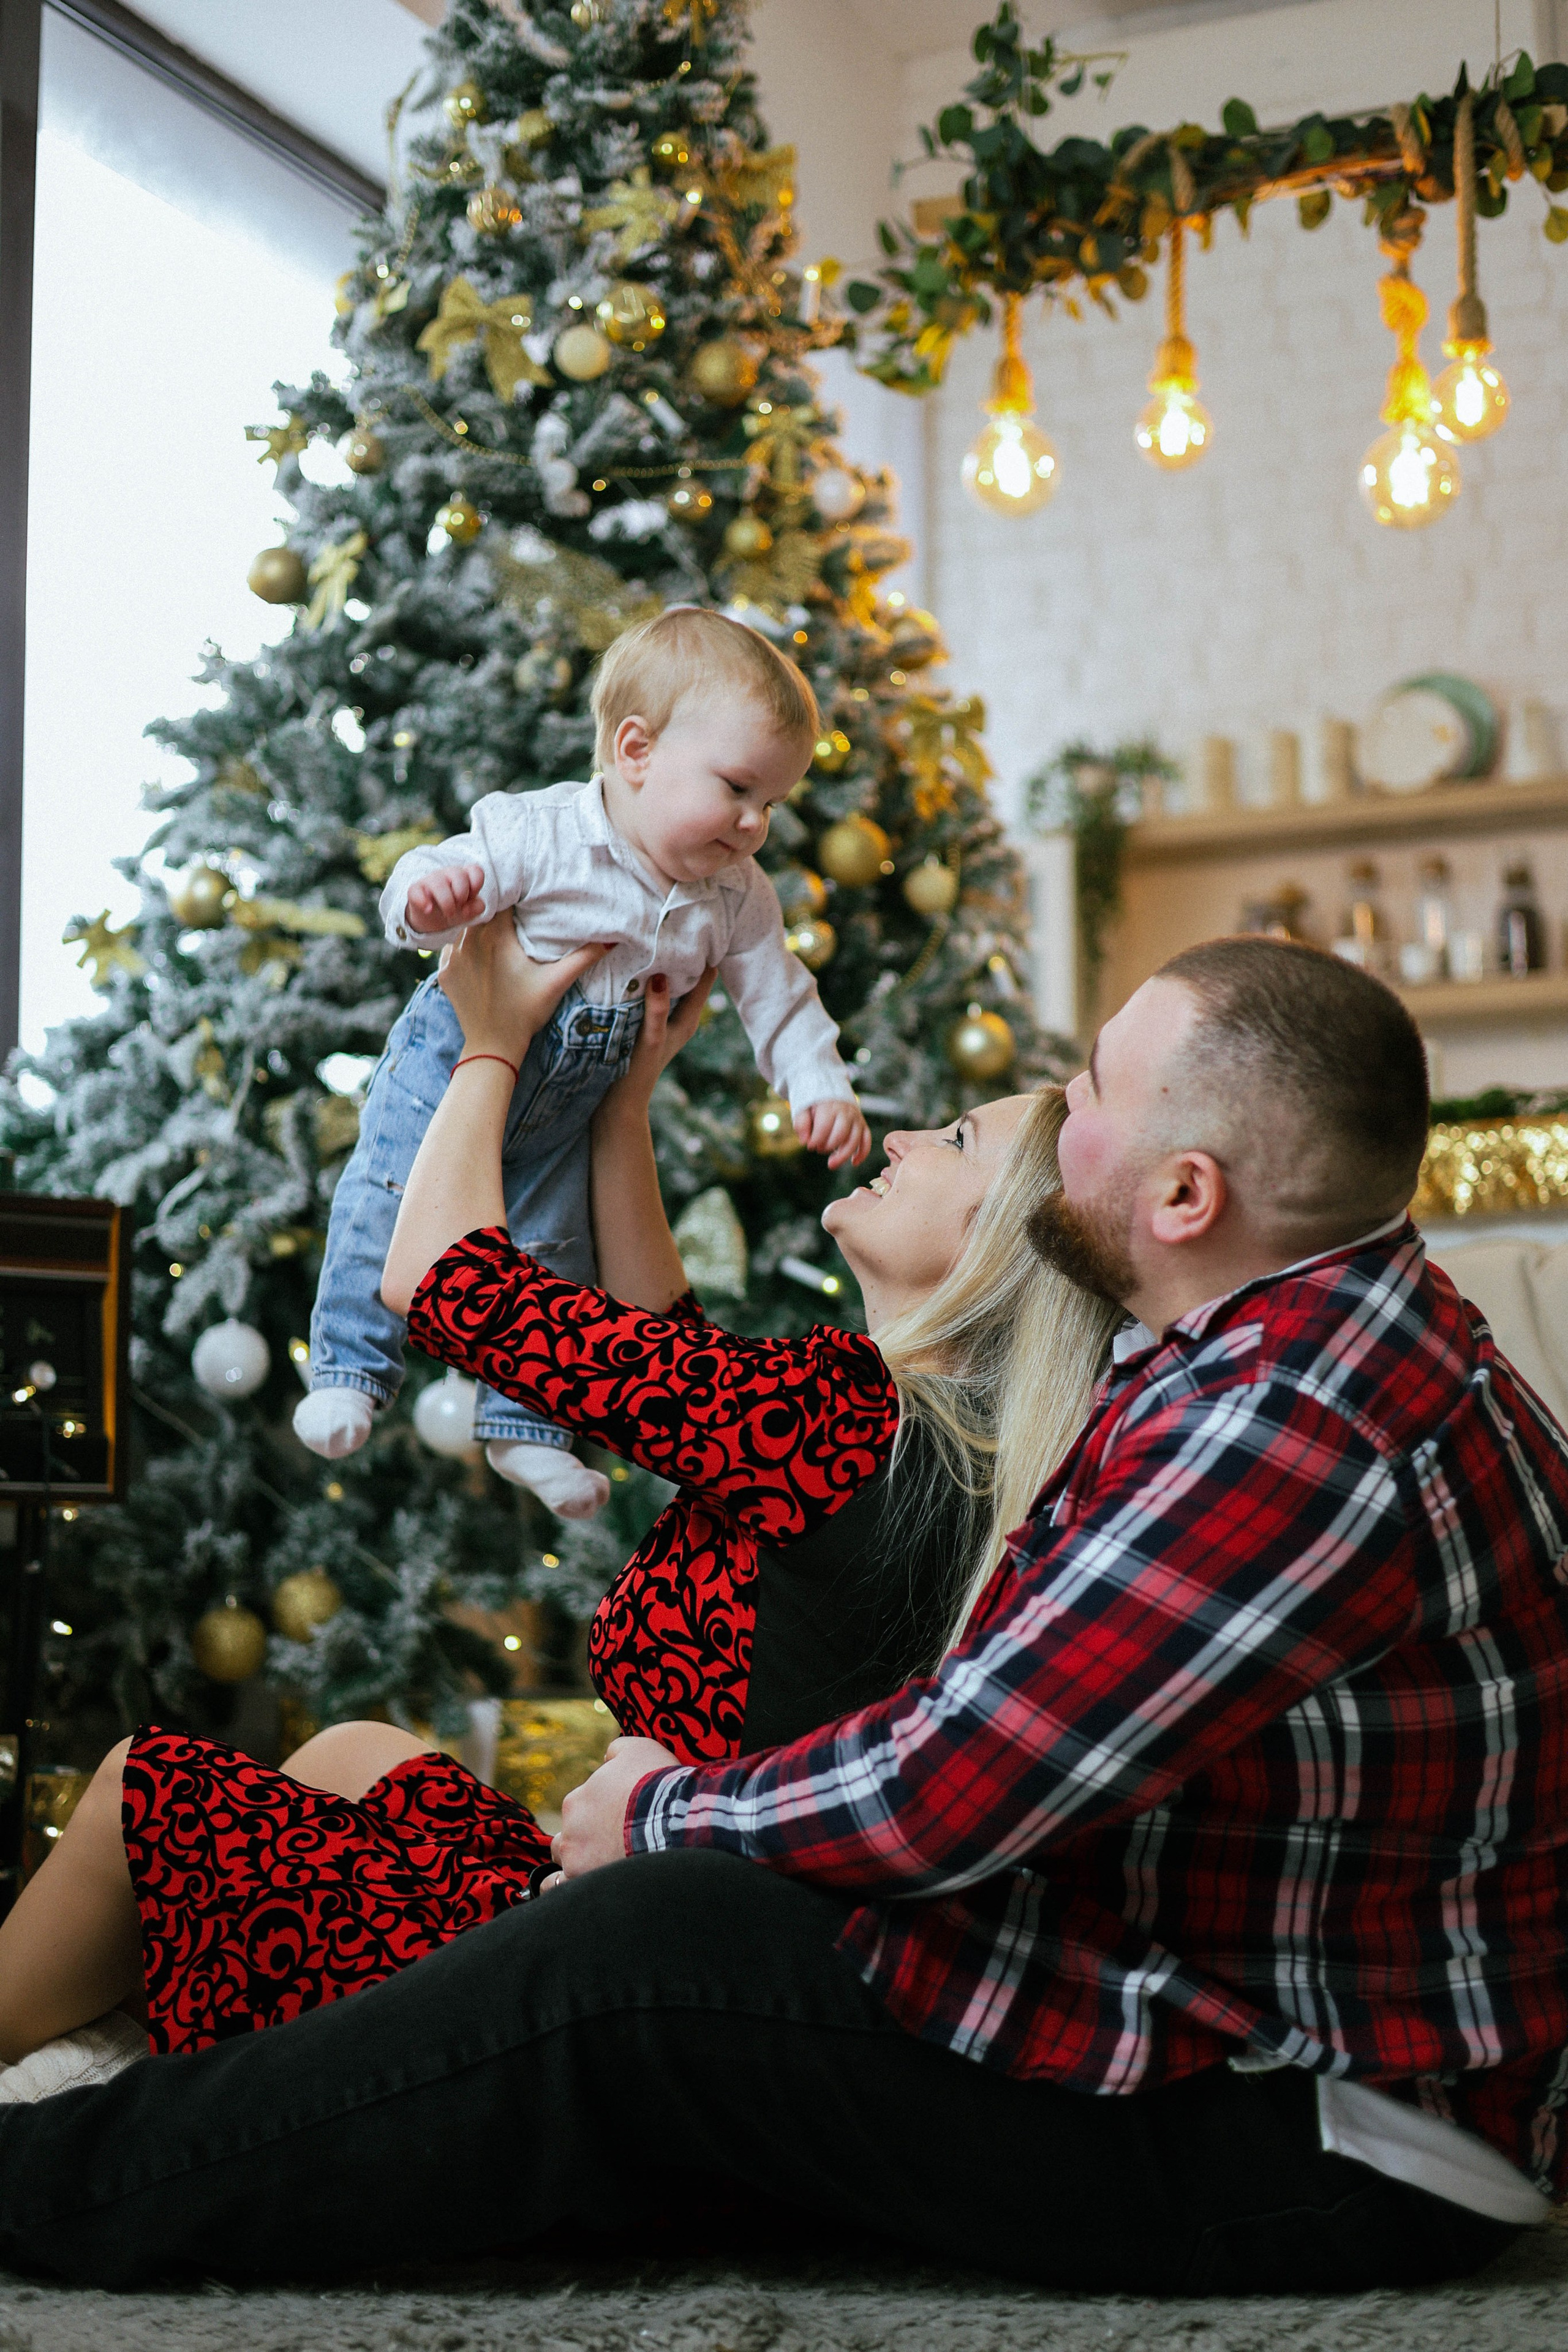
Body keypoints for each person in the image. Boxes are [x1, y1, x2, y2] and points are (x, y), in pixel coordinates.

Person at [2, 933, 1563, 2298]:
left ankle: (55, 2182)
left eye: (1082, 1093)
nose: (1046, 1116)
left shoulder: (1291, 1422)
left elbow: (952, 1789)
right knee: (610, 1893)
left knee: (652, 1937)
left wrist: (672, 1814)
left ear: (1180, 1192)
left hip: (1316, 2128)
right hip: (1226, 2019)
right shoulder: (1264, 1350)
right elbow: (680, 1379)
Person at [0, 917, 1115, 2073]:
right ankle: (133, 2057)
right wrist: (623, 1108)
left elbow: (436, 1280)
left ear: (1002, 1236)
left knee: (150, 1782)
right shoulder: (938, 1446)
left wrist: (486, 1043)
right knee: (352, 1754)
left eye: (955, 1138)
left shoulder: (842, 1416)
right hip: (707, 1940)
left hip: (638, 1974)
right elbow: (668, 1351)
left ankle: (64, 2087)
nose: (904, 1136)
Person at [293, 605, 870, 1520]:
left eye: (775, 804)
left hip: (582, 1092)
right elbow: (434, 874)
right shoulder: (545, 833)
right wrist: (432, 902)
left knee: (554, 1257)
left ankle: (527, 1433)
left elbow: (779, 992)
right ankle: (352, 1370)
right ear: (636, 751)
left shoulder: (737, 894)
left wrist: (817, 1082)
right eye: (738, 789)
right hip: (455, 1050)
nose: (757, 824)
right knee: (385, 1197)